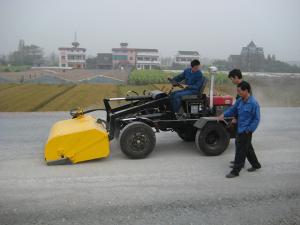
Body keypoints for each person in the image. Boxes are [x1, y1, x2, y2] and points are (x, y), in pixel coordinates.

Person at [218, 81, 261, 178]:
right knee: (248, 149)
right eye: (237, 91)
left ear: (246, 90)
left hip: (246, 131)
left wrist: (249, 129)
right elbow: (233, 109)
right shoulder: (240, 101)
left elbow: (256, 119)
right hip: (239, 128)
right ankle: (256, 165)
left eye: (239, 91)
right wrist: (224, 115)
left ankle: (235, 171)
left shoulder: (253, 103)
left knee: (240, 151)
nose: (238, 93)